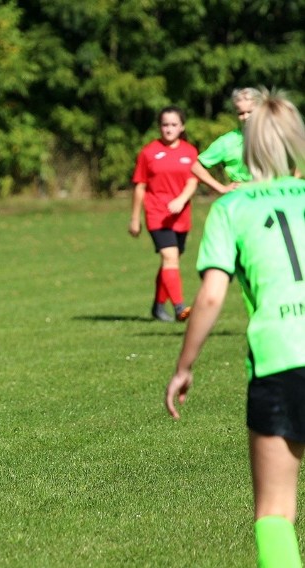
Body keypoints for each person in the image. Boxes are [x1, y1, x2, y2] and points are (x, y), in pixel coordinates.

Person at [164, 89, 305, 568]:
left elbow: (209, 296)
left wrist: (184, 367)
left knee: (275, 513)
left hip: (279, 360)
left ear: (246, 148)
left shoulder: (232, 208)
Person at [129, 106, 199, 322]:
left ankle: (158, 307)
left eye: (173, 125)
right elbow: (140, 186)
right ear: (160, 127)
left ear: (182, 127)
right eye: (165, 125)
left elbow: (193, 180)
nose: (169, 129)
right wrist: (134, 218)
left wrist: (181, 200)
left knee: (171, 261)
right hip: (157, 213)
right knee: (170, 257)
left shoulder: (190, 152)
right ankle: (179, 308)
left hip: (180, 216)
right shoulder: (149, 152)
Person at [191, 87, 262, 194]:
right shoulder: (227, 141)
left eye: (250, 112)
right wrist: (221, 188)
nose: (246, 117)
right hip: (242, 199)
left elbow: (295, 159)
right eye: (241, 113)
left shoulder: (275, 136)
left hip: (273, 197)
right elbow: (195, 166)